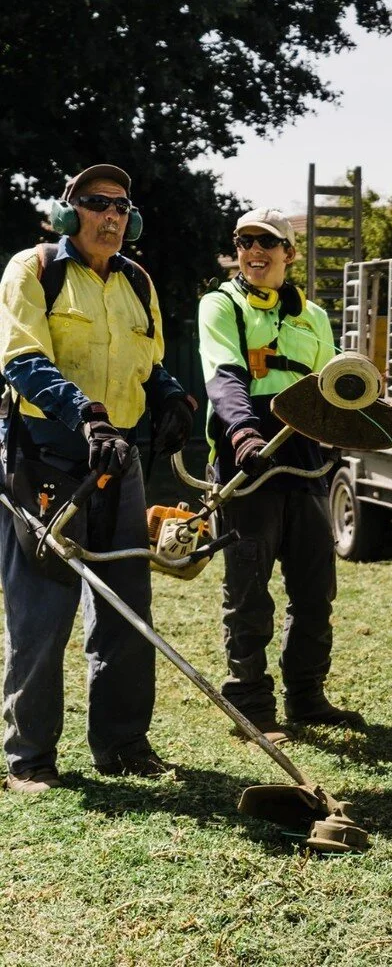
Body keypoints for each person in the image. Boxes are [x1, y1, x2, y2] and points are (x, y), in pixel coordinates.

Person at [0, 163, 196, 793]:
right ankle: (30, 756)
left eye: (120, 205)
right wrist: (86, 414)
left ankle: (122, 744)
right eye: (95, 203)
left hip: (120, 464)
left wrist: (169, 399)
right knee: (42, 613)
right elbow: (22, 360)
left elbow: (150, 363)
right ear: (68, 212)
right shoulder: (33, 271)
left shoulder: (137, 280)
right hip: (47, 464)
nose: (111, 216)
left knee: (126, 608)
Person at [198, 208, 363, 744]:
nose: (255, 251)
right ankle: (250, 705)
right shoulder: (220, 305)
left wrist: (348, 424)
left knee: (315, 589)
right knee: (248, 591)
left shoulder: (312, 315)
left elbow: (333, 383)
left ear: (290, 254)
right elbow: (224, 377)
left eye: (268, 243)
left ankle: (307, 698)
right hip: (246, 462)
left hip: (305, 461)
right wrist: (244, 434)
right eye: (246, 242)